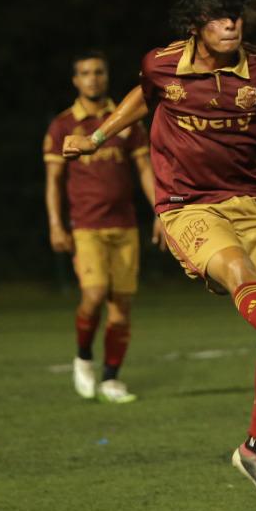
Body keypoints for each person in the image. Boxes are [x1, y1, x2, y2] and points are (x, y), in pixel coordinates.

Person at [62, 0, 256, 507]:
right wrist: (96, 137)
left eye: (237, 15)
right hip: (187, 206)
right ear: (195, 24)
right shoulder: (162, 64)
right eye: (218, 17)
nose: (231, 24)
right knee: (239, 276)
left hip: (253, 205)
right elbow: (141, 96)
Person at [43, 50, 159, 404]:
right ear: (75, 81)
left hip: (124, 226)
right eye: (85, 73)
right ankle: (83, 356)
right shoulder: (63, 125)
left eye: (98, 72)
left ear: (106, 77)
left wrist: (161, 212)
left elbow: (144, 170)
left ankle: (111, 379)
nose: (93, 78)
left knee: (121, 306)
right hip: (86, 227)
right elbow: (54, 180)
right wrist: (56, 225)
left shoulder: (124, 120)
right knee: (93, 296)